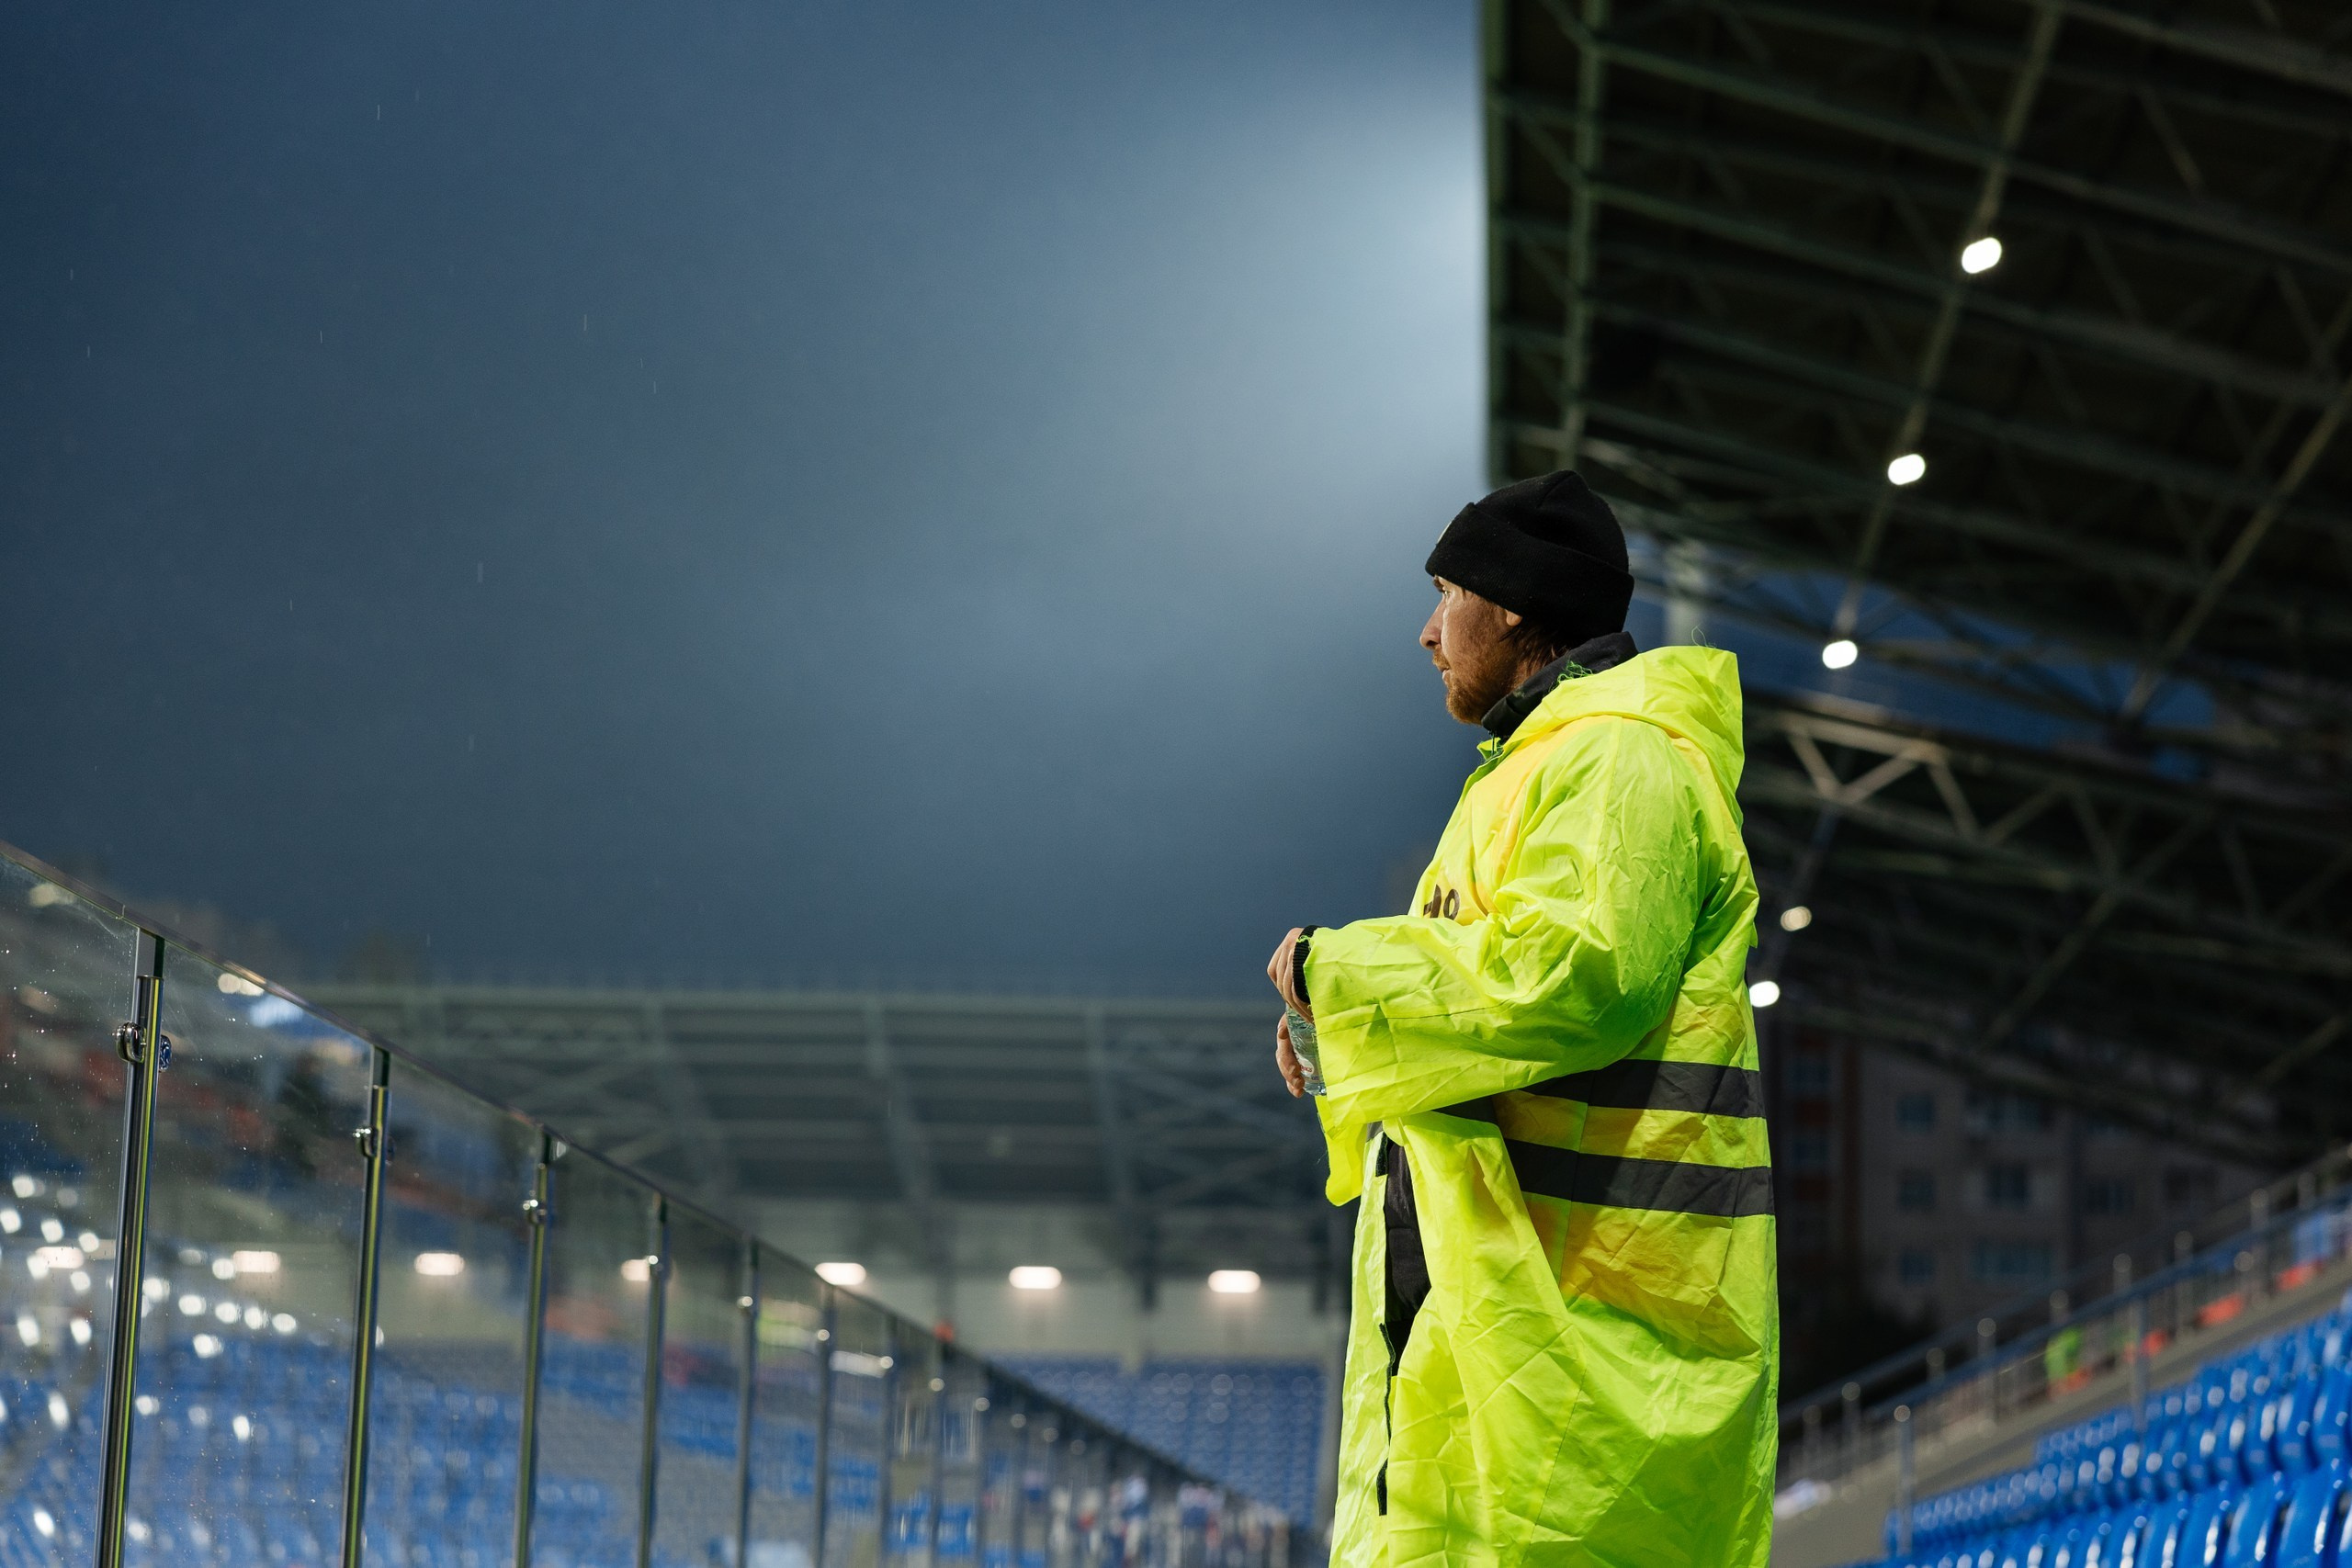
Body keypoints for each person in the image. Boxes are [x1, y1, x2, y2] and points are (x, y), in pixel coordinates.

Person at [1267, 470, 1776, 1566]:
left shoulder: (1619, 757)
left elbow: (1570, 982)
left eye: (1444, 592)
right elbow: (1485, 997)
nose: (1424, 632)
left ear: (1507, 606)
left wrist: (1340, 974)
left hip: (1586, 1362)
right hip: (1511, 1343)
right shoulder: (1539, 768)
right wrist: (1342, 1021)